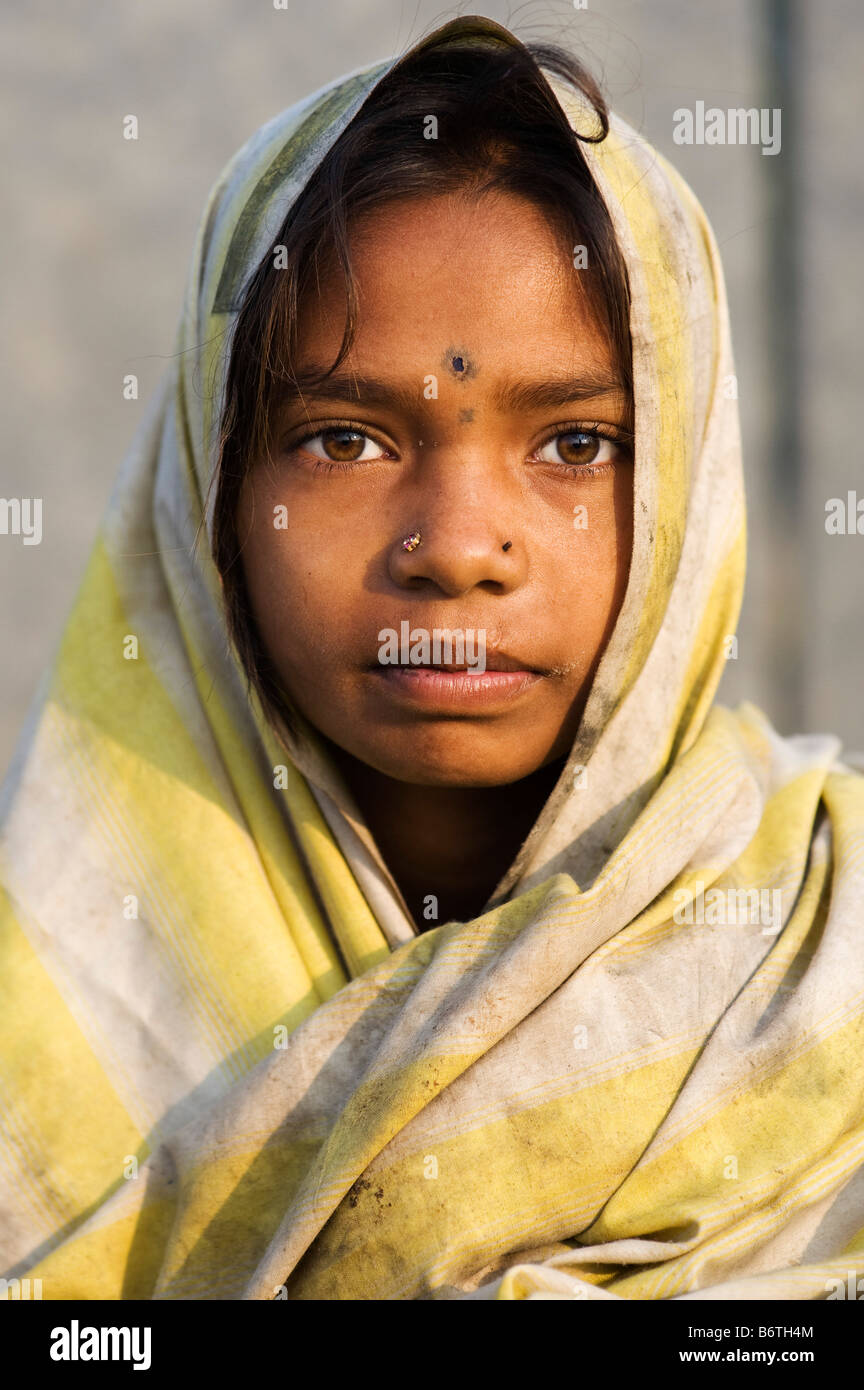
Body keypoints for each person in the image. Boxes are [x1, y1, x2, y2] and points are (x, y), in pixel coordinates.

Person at [2, 15, 863, 1302]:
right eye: (344, 440)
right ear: (211, 487)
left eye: (577, 444)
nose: (459, 549)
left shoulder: (824, 953)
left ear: (689, 482)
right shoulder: (37, 1014)